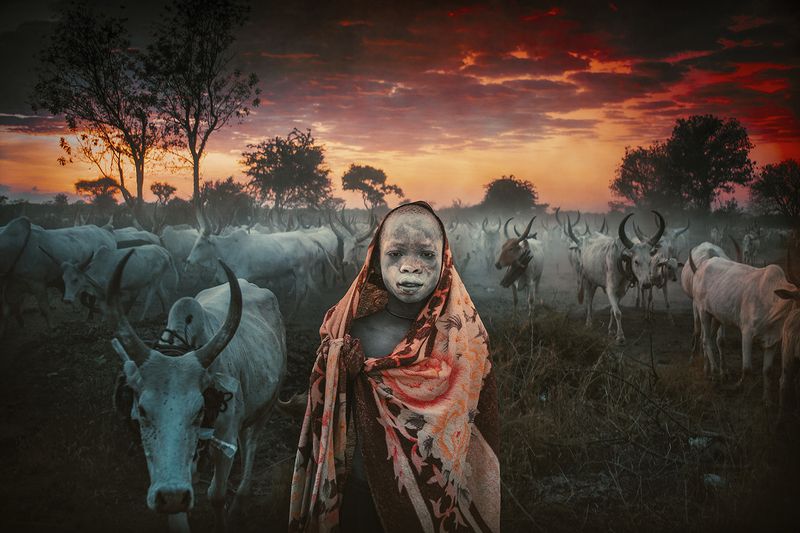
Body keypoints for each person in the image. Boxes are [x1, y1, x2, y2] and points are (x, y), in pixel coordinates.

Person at [288, 201, 499, 533]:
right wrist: (343, 370)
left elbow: (475, 425)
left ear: (445, 259)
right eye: (396, 253)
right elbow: (325, 404)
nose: (411, 267)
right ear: (376, 257)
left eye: (426, 255)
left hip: (438, 495)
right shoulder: (347, 330)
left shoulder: (466, 337)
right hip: (358, 488)